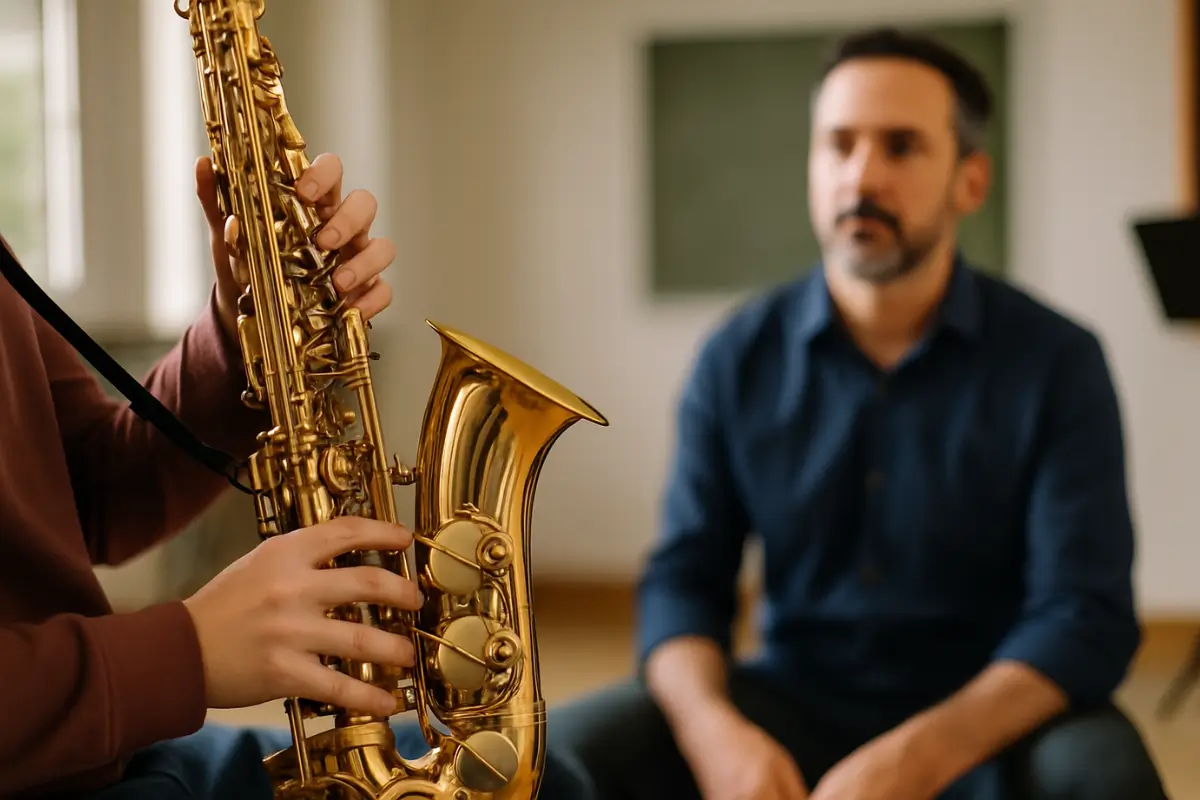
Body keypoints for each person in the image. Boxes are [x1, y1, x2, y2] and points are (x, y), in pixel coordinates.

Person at [545, 27, 1170, 800]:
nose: (860, 175)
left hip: (994, 713)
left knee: (1109, 781)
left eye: (901, 146)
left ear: (970, 182)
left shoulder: (1059, 361)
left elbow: (1085, 615)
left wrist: (917, 758)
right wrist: (717, 737)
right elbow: (683, 581)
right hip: (790, 697)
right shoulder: (736, 357)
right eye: (837, 145)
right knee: (557, 758)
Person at [0, 152, 593, 799]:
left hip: (97, 757)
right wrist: (188, 651)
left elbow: (91, 490)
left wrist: (243, 328)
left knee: (537, 776)